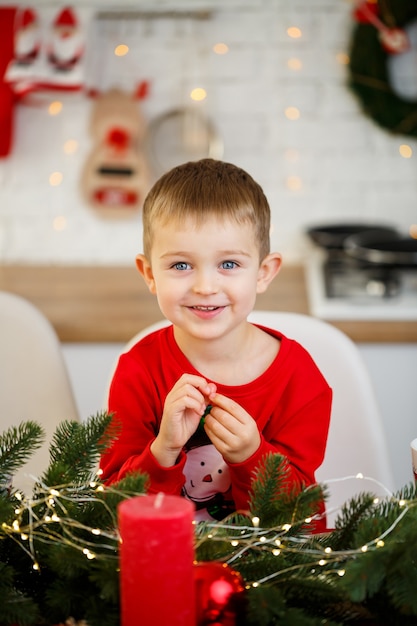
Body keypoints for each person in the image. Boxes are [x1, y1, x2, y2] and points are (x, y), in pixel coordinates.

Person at [100, 158, 332, 529]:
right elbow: (110, 510)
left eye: (228, 264)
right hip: (166, 567)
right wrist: (162, 451)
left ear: (263, 272)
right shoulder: (138, 370)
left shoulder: (298, 376)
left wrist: (252, 456)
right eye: (180, 265)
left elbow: (304, 517)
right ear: (149, 274)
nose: (205, 287)